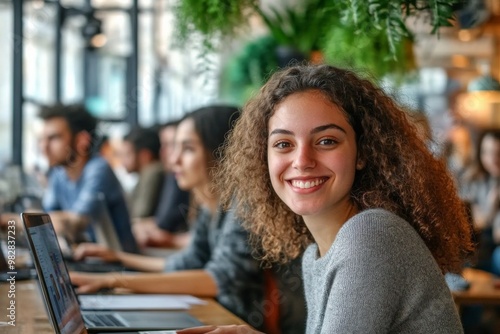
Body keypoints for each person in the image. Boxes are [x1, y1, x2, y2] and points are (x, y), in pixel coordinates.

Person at [178, 64, 474, 334]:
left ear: (363, 153)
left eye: (326, 141)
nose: (302, 160)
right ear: (263, 158)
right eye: (283, 144)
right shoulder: (315, 255)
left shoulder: (370, 235)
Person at [69, 105, 306, 333]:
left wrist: (114, 281)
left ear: (223, 154)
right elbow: (189, 261)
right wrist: (118, 259)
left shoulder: (248, 202)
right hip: (226, 319)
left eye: (188, 149)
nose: (174, 160)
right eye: (175, 148)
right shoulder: (211, 203)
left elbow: (217, 279)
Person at [38, 104, 138, 253]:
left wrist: (15, 222)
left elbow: (75, 222)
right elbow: (49, 218)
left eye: (54, 138)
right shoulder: (58, 174)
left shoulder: (98, 168)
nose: (44, 147)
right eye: (42, 139)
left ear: (82, 140)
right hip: (86, 261)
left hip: (120, 268)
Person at [132, 121, 191, 248]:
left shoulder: (157, 172)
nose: (173, 157)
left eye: (188, 148)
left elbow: (165, 222)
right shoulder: (171, 175)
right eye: (163, 145)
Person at [461, 129, 500, 275]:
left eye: (498, 153)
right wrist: (492, 204)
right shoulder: (475, 181)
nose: (493, 159)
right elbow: (479, 222)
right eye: (487, 152)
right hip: (479, 249)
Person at [119, 126, 164, 219]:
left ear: (145, 155)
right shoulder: (146, 174)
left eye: (127, 155)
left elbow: (140, 214)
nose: (122, 161)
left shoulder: (153, 171)